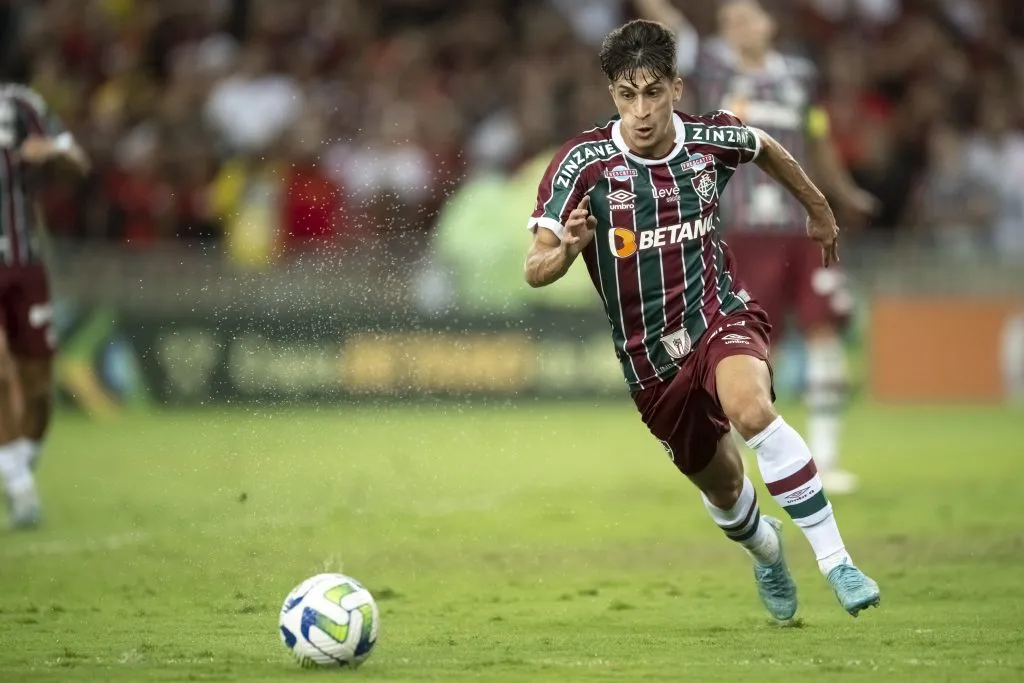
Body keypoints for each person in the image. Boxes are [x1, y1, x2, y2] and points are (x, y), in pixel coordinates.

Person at [524, 19, 879, 621]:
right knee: (724, 489)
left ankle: (837, 560)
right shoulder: (582, 165)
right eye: (628, 95)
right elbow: (535, 268)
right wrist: (564, 250)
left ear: (677, 89)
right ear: (612, 94)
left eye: (653, 92)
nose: (641, 110)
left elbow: (766, 146)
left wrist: (819, 209)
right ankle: (767, 552)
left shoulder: (711, 140)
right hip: (650, 360)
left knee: (752, 409)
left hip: (720, 314)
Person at [635, 0, 878, 494]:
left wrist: (843, 193)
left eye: (750, 17)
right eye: (730, 22)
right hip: (741, 231)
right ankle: (755, 453)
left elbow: (816, 137)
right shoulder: (710, 65)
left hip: (799, 228)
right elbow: (670, 23)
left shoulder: (801, 75)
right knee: (750, 348)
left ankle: (826, 458)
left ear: (770, 24)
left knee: (823, 331)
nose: (741, 27)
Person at [0, 83, 90, 528]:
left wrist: (52, 151)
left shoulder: (22, 104)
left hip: (25, 264)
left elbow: (78, 162)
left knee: (38, 389)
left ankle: (15, 465)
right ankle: (21, 492)